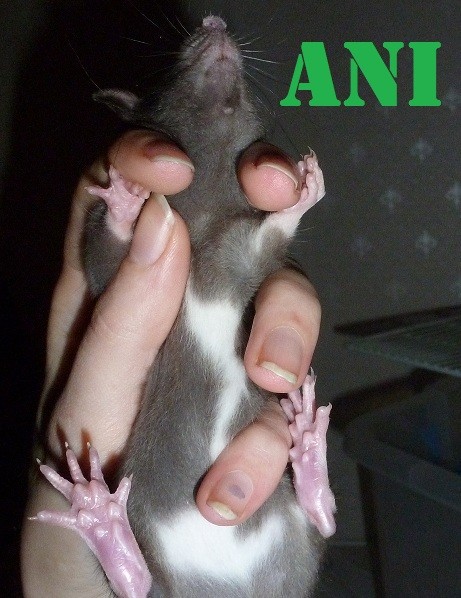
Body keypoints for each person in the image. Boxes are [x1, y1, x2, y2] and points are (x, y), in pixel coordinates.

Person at [21, 130, 321, 596]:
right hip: (273, 558)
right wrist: (308, 457)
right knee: (311, 518)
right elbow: (320, 519)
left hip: (156, 532)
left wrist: (93, 513)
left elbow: (137, 586)